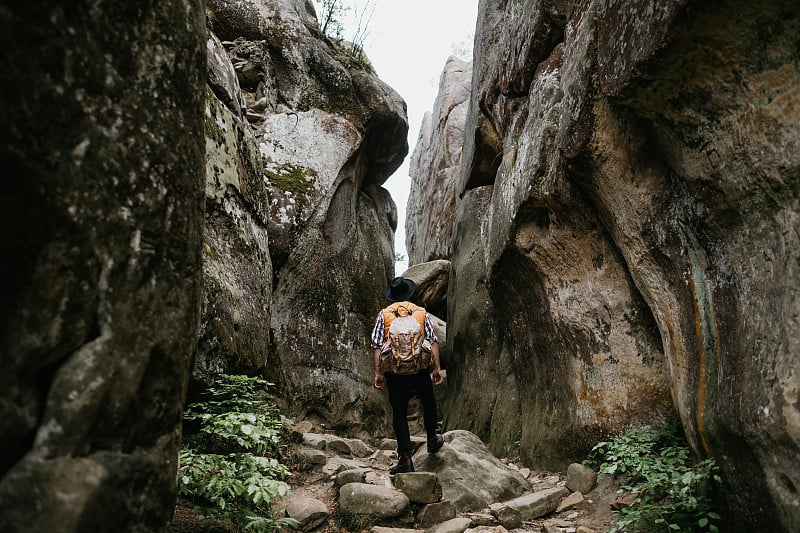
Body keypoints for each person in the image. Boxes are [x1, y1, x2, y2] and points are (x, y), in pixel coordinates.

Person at [370, 276, 444, 474]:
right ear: (410, 294)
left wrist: (378, 372)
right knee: (428, 400)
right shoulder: (420, 313)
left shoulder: (384, 315)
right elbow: (433, 340)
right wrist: (436, 368)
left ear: (392, 297)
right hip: (419, 367)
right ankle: (432, 438)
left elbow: (376, 344)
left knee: (399, 412)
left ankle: (405, 458)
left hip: (394, 370)